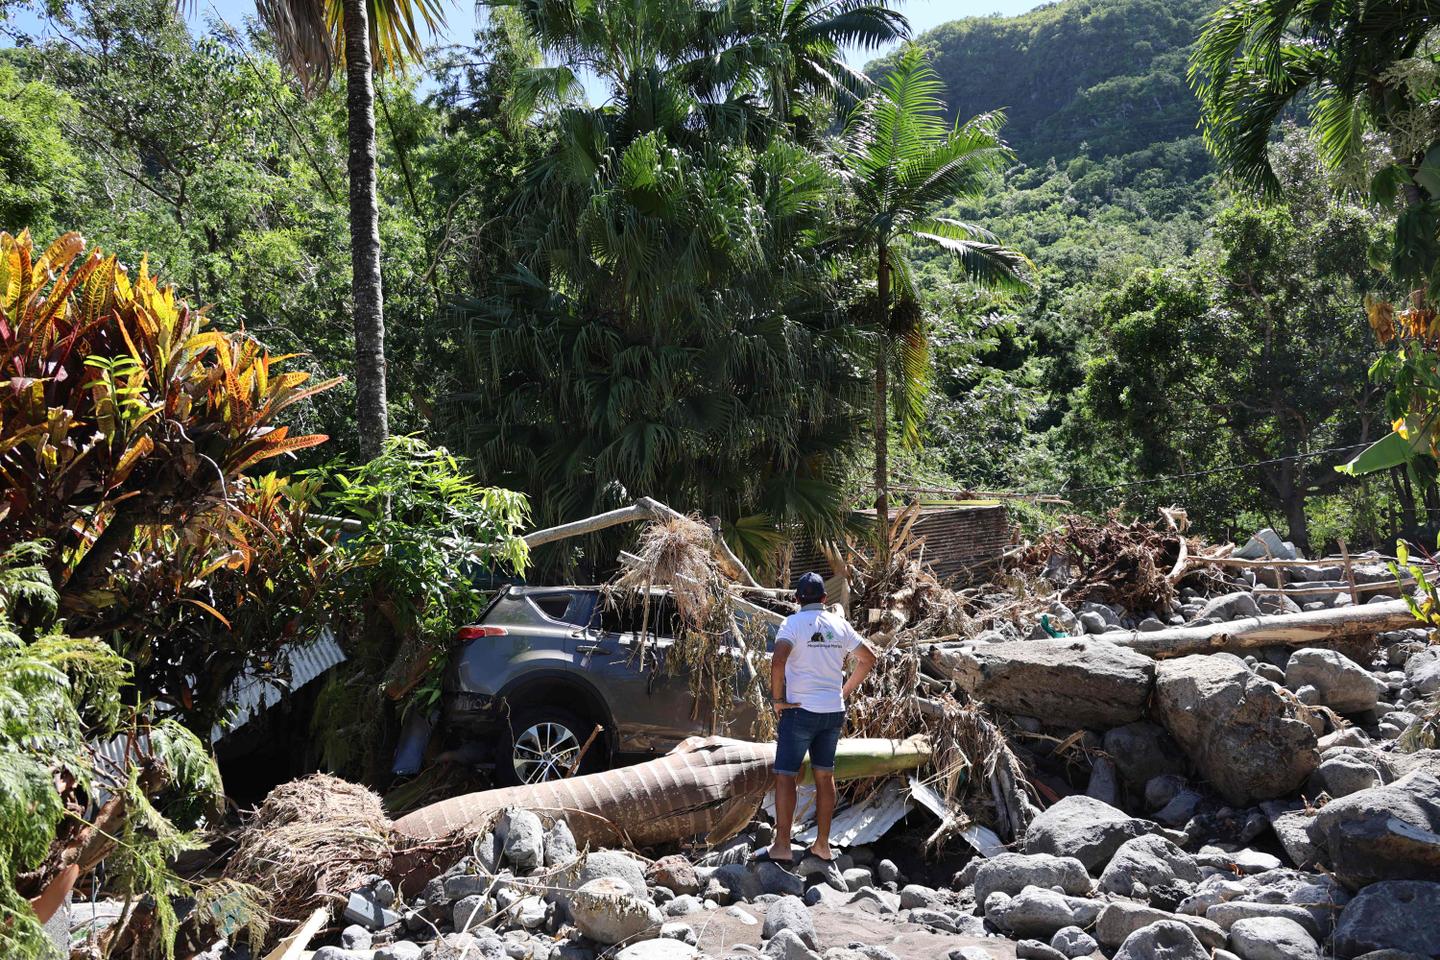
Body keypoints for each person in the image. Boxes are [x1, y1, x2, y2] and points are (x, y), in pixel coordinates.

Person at [757, 571, 877, 866]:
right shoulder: (840, 624)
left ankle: (782, 846)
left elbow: (778, 659)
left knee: (786, 776)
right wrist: (844, 691)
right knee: (825, 776)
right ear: (825, 599)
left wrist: (777, 700)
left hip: (799, 711)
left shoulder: (792, 623)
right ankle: (822, 846)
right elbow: (868, 658)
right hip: (832, 712)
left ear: (797, 599)